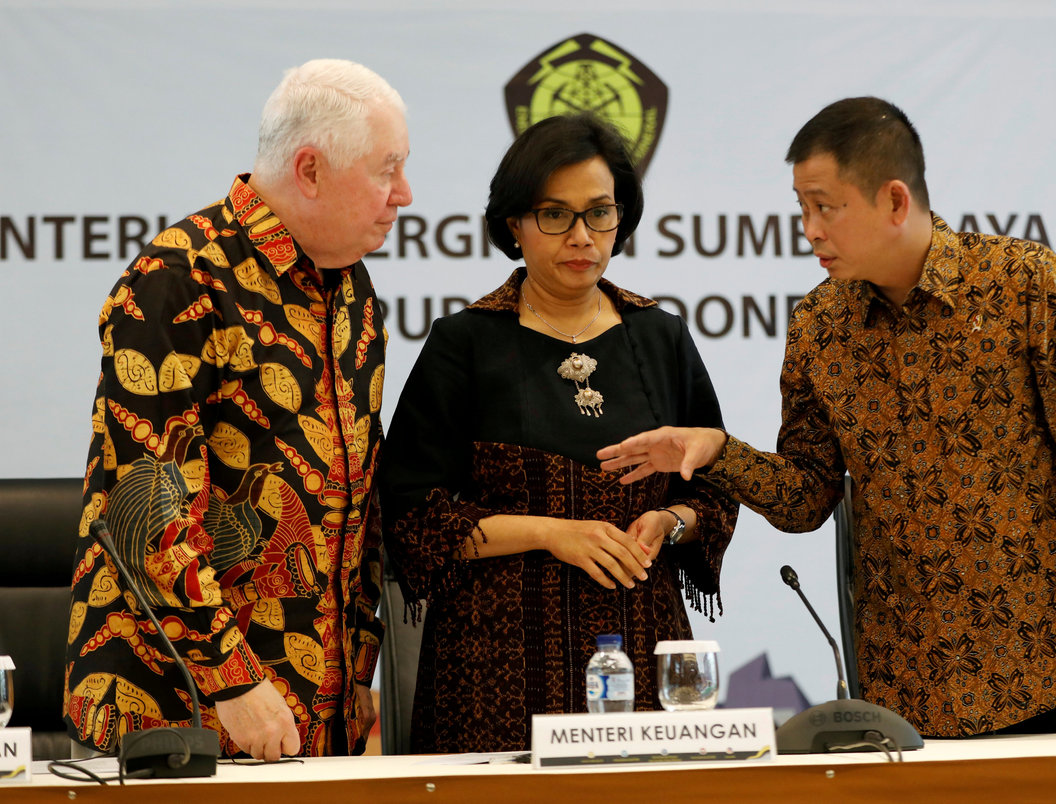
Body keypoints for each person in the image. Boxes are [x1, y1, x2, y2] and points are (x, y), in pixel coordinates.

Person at [598, 97, 1056, 737]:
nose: (810, 230)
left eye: (825, 207)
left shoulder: (1020, 283)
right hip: (910, 689)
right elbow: (806, 498)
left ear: (895, 200)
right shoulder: (819, 326)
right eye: (801, 208)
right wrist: (718, 451)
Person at [64, 58, 413, 761]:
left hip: (320, 707)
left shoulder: (351, 287)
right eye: (387, 170)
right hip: (179, 702)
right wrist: (229, 676)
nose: (404, 195)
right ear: (310, 170)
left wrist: (360, 663)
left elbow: (358, 491)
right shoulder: (179, 278)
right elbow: (145, 506)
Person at [378, 113, 738, 753]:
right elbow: (412, 516)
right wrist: (551, 533)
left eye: (599, 213)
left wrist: (670, 522)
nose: (581, 236)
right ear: (513, 223)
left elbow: (715, 490)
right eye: (554, 215)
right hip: (492, 677)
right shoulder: (464, 343)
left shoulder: (661, 337)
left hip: (643, 658)